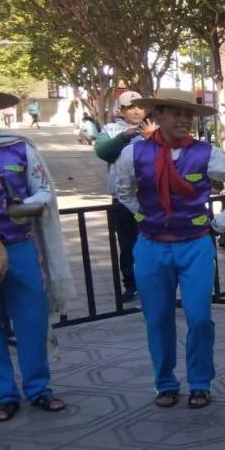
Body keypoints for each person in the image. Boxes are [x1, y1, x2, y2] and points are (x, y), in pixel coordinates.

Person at [113, 89, 225, 409]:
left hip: (195, 247)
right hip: (151, 248)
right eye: (175, 113)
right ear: (158, 116)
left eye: (188, 114)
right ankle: (165, 383)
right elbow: (121, 189)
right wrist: (141, 215)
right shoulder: (133, 154)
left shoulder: (206, 153)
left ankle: (200, 382)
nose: (184, 119)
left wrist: (219, 225)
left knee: (200, 317)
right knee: (158, 318)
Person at [0, 91, 74, 422]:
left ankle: (39, 389)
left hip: (18, 248)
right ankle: (3, 395)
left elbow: (44, 190)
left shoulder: (18, 147)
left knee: (32, 321)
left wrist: (25, 205)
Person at [93, 91, 155, 303]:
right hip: (123, 199)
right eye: (131, 107)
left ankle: (155, 282)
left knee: (153, 241)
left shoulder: (155, 129)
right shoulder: (110, 130)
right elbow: (102, 152)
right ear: (121, 111)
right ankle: (131, 284)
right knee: (128, 243)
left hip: (152, 198)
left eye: (140, 106)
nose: (137, 110)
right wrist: (125, 136)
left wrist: (152, 138)